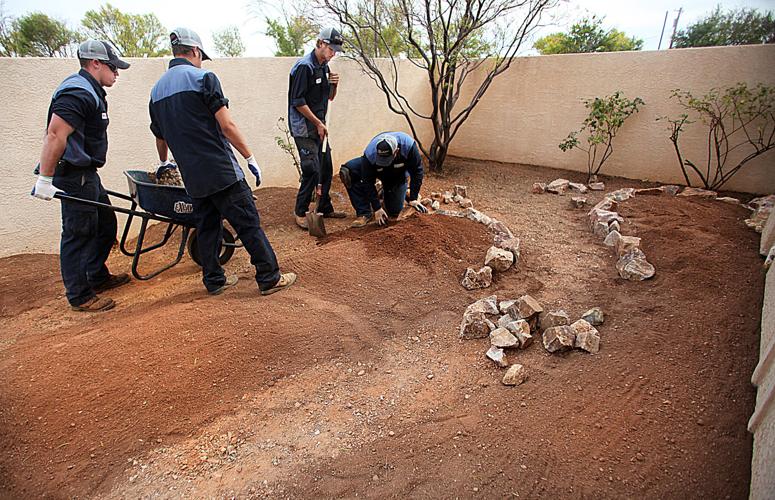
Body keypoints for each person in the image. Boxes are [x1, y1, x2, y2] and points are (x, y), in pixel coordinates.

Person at [148, 27, 296, 296]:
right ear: (195, 51)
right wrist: (249, 156)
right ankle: (269, 277)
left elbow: (160, 136)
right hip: (221, 170)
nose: (201, 61)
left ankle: (214, 280)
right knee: (247, 222)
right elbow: (227, 125)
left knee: (207, 227)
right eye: (200, 56)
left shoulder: (156, 92)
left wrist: (164, 162)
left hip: (193, 177)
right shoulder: (203, 78)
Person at [30, 40, 132, 312]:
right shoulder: (77, 92)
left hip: (87, 173)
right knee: (79, 232)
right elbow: (55, 134)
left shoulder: (90, 90)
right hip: (74, 175)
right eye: (113, 67)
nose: (116, 73)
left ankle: (96, 275)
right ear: (95, 63)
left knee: (106, 223)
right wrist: (45, 179)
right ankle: (80, 295)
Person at [288, 27, 347, 230]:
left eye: (336, 51)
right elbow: (298, 102)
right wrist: (318, 123)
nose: (333, 54)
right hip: (304, 128)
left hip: (319, 126)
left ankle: (324, 208)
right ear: (320, 43)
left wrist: (334, 85)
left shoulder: (324, 67)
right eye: (331, 49)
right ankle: (300, 211)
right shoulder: (304, 67)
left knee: (326, 167)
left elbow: (329, 98)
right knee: (311, 169)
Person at [339, 131, 428, 228]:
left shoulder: (408, 147)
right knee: (348, 171)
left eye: (387, 159)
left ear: (396, 151)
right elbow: (367, 181)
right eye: (382, 159)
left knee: (394, 210)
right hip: (377, 169)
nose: (384, 162)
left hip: (398, 174)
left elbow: (417, 172)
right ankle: (364, 212)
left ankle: (388, 192)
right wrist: (377, 208)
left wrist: (413, 198)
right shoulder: (370, 153)